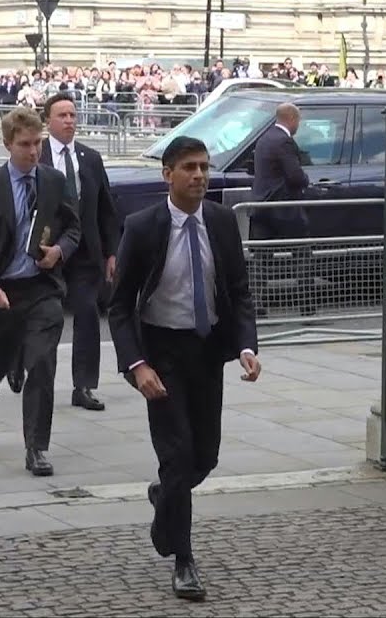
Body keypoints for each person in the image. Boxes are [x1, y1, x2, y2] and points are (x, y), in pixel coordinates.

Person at [107, 136, 261, 601]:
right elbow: (118, 306)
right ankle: (183, 558)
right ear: (167, 174)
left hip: (207, 350)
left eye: (204, 168)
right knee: (177, 456)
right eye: (189, 168)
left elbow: (238, 290)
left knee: (205, 456)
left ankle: (165, 498)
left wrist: (246, 347)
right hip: (161, 354)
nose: (199, 176)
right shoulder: (143, 226)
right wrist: (137, 365)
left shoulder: (219, 222)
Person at [0, 106, 81, 476]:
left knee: (42, 365)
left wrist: (59, 251)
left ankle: (36, 448)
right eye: (25, 144)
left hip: (40, 289)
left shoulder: (53, 181)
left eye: (37, 143)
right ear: (7, 144)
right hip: (1, 290)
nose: (33, 151)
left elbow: (73, 229)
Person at [5, 93, 119, 410]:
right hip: (44, 254)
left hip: (84, 254)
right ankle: (25, 366)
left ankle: (83, 385)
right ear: (47, 122)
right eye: (62, 115)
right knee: (42, 319)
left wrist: (112, 252)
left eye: (72, 114)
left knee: (86, 315)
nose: (69, 120)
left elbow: (107, 210)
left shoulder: (90, 158)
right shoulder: (34, 157)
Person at [250, 103, 312, 315]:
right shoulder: (284, 141)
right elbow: (295, 176)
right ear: (292, 119)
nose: (298, 126)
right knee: (302, 252)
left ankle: (257, 303)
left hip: (260, 205)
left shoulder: (264, 138)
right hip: (283, 207)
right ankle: (306, 305)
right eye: (298, 121)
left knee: (261, 258)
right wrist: (306, 180)